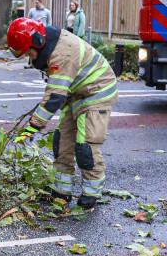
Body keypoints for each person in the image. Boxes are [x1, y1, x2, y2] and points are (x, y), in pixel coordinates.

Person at [7, 17, 117, 209]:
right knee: (61, 141)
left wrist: (32, 127)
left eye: (29, 53)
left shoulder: (61, 54)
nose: (31, 58)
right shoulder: (49, 49)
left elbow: (54, 98)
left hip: (96, 91)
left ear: (38, 43)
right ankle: (61, 192)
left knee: (85, 146)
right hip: (75, 94)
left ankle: (91, 194)